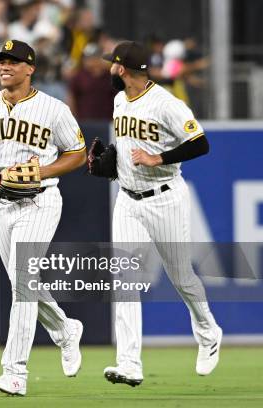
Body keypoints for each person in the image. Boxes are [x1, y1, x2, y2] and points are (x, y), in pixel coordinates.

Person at [0, 39, 86, 396]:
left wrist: (42, 172)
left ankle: (14, 372)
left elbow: (76, 154)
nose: (4, 66)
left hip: (41, 201)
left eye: (13, 61)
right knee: (23, 281)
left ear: (30, 68)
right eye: (1, 61)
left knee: (22, 280)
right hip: (2, 203)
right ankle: (64, 329)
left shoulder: (53, 109)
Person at [101, 41, 222, 386]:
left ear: (123, 69)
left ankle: (208, 330)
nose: (109, 69)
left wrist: (159, 159)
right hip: (127, 199)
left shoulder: (167, 104)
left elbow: (201, 142)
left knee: (181, 276)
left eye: (113, 64)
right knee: (123, 277)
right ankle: (129, 363)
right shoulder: (119, 100)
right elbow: (126, 146)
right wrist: (112, 162)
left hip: (165, 198)